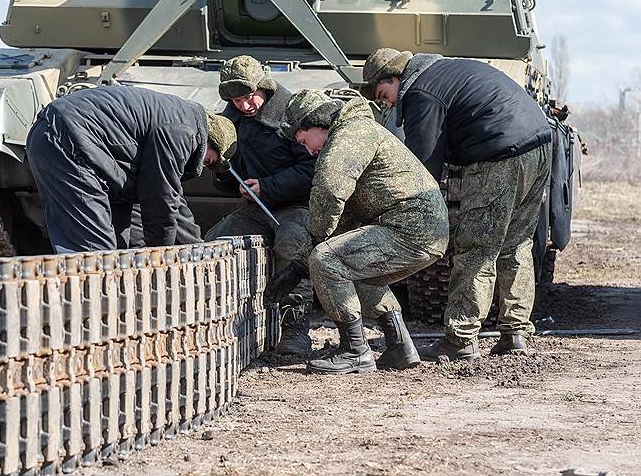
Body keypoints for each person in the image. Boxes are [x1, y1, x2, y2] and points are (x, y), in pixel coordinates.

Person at [362, 48, 553, 360]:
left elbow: (422, 167)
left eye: (383, 94)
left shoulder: (420, 92)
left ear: (396, 78)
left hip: (498, 153)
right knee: (516, 243)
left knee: (477, 247)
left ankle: (461, 338)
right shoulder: (448, 72)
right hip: (539, 145)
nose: (387, 103)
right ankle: (514, 331)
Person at [275, 90, 449, 374]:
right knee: (357, 272)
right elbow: (344, 219)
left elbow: (329, 191)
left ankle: (355, 350)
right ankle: (400, 348)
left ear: (317, 124)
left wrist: (312, 254)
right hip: (419, 230)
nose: (308, 151)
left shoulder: (350, 136)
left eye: (305, 141)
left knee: (327, 260)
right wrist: (297, 267)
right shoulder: (356, 133)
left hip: (410, 228)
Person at [26, 85, 236, 253]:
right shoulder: (183, 130)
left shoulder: (175, 118)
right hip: (71, 140)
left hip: (50, 136)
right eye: (210, 161)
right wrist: (160, 255)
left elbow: (158, 199)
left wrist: (192, 249)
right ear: (212, 142)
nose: (204, 166)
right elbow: (160, 195)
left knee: (112, 249)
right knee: (94, 254)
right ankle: (93, 305)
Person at [205, 55, 317, 355]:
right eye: (236, 100)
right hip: (256, 208)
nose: (244, 105)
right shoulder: (232, 120)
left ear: (264, 87)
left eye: (248, 96)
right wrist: (224, 174)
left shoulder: (292, 114)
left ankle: (295, 329)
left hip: (296, 205)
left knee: (292, 246)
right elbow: (227, 176)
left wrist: (267, 186)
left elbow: (312, 170)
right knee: (213, 243)